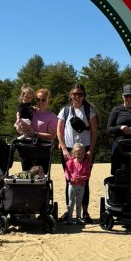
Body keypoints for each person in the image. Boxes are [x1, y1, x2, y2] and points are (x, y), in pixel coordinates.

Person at [57, 84, 98, 222]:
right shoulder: (65, 110)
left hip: (84, 150)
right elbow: (59, 131)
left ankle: (85, 213)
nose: (77, 97)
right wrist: (63, 149)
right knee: (69, 180)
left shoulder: (89, 110)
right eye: (75, 94)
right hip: (69, 150)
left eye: (80, 94)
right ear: (71, 95)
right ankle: (69, 212)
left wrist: (90, 150)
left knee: (84, 180)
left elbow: (94, 132)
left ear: (84, 96)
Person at [63, 142, 91, 224]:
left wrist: (83, 178)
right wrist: (69, 179)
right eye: (78, 153)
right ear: (74, 154)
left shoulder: (85, 164)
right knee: (71, 202)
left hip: (81, 186)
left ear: (84, 153)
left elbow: (88, 174)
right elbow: (66, 172)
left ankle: (78, 218)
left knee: (79, 202)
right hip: (72, 185)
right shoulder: (70, 162)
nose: (80, 155)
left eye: (82, 153)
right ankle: (69, 218)